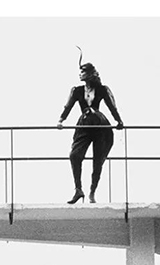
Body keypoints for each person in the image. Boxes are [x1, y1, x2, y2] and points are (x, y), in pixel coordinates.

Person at [58, 50, 124, 204]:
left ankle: (92, 191)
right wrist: (61, 120)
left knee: (98, 159)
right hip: (85, 124)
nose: (80, 74)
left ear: (90, 74)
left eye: (83, 72)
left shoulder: (102, 89)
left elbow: (112, 106)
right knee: (75, 155)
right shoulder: (77, 90)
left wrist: (119, 121)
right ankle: (78, 189)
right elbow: (68, 106)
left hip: (100, 125)